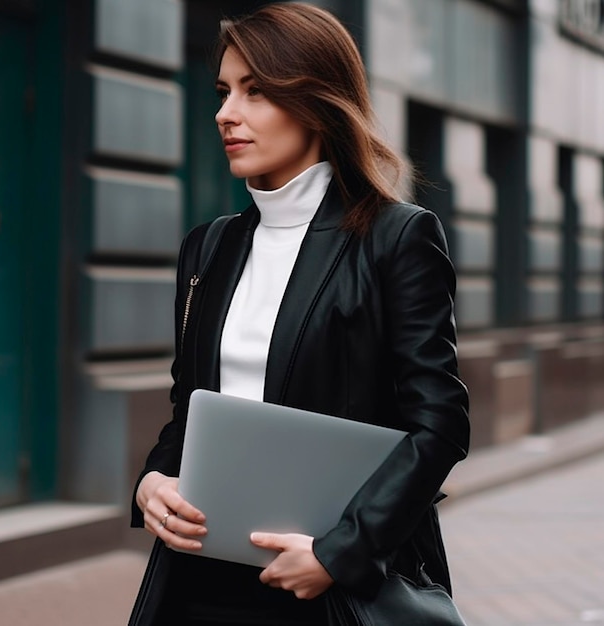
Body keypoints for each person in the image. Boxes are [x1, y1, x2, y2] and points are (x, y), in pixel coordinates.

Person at [129, 3, 469, 625]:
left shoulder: (397, 238)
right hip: (199, 580)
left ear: (316, 101)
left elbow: (440, 424)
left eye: (255, 93)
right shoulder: (209, 246)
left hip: (326, 586)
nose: (225, 113)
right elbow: (192, 407)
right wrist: (153, 480)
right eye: (225, 92)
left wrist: (342, 552)